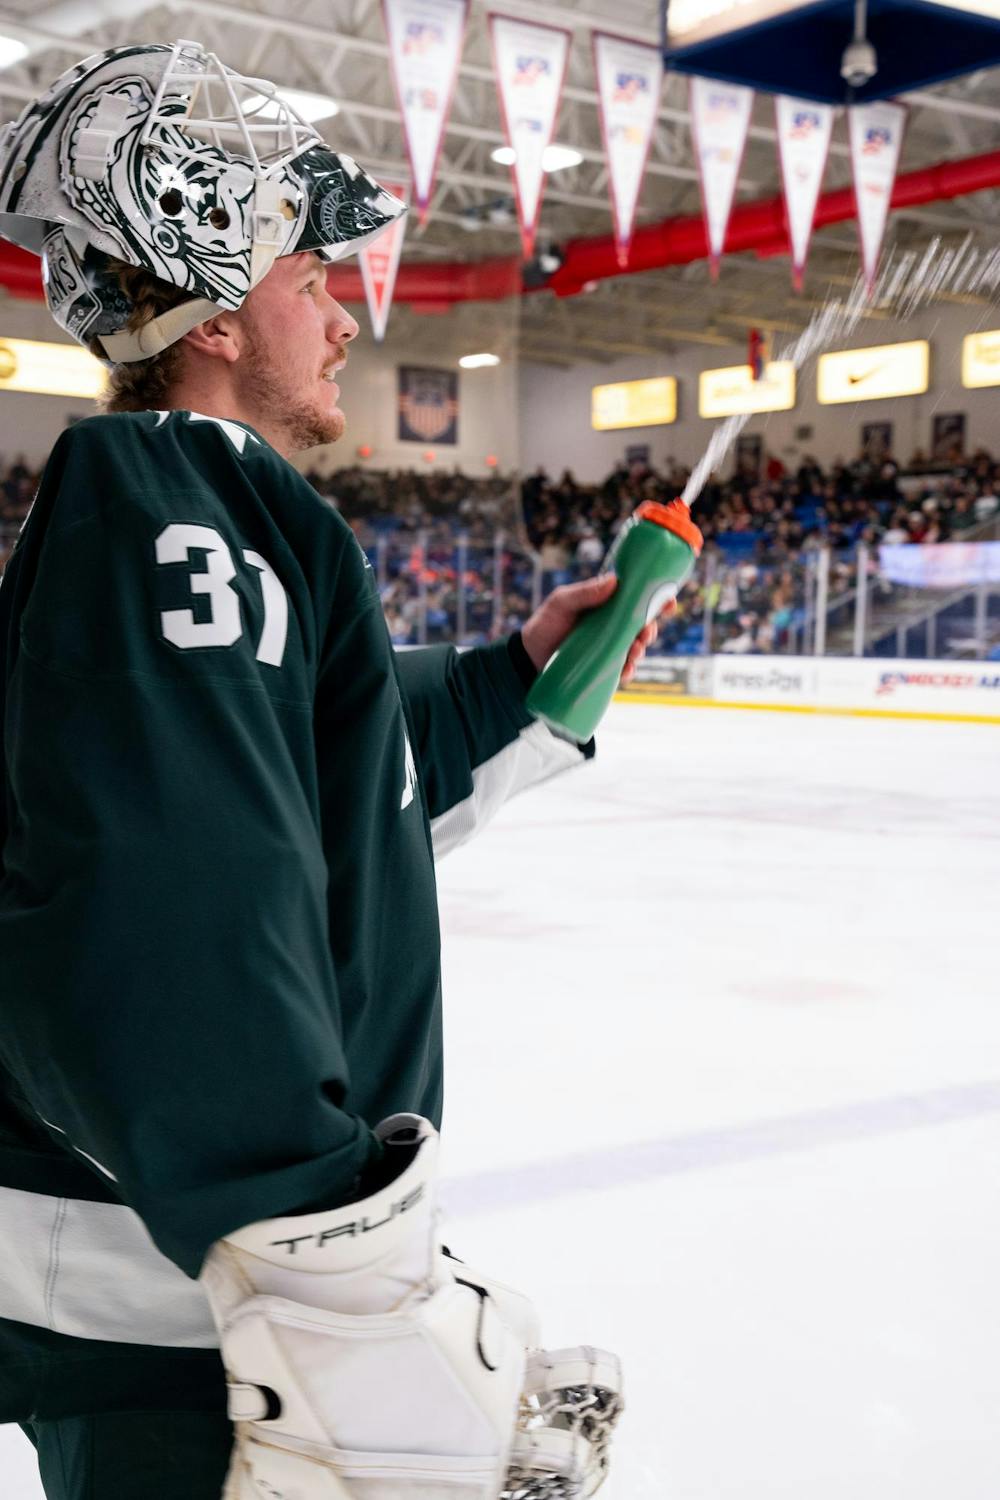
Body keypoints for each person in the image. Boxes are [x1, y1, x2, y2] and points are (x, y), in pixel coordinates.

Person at [0, 40, 657, 1500]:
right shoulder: (186, 508)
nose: (346, 315)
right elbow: (185, 885)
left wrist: (512, 677)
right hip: (177, 1286)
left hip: (157, 1255)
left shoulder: (188, 515)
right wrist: (333, 1278)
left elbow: (304, 778)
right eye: (311, 276)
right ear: (219, 309)